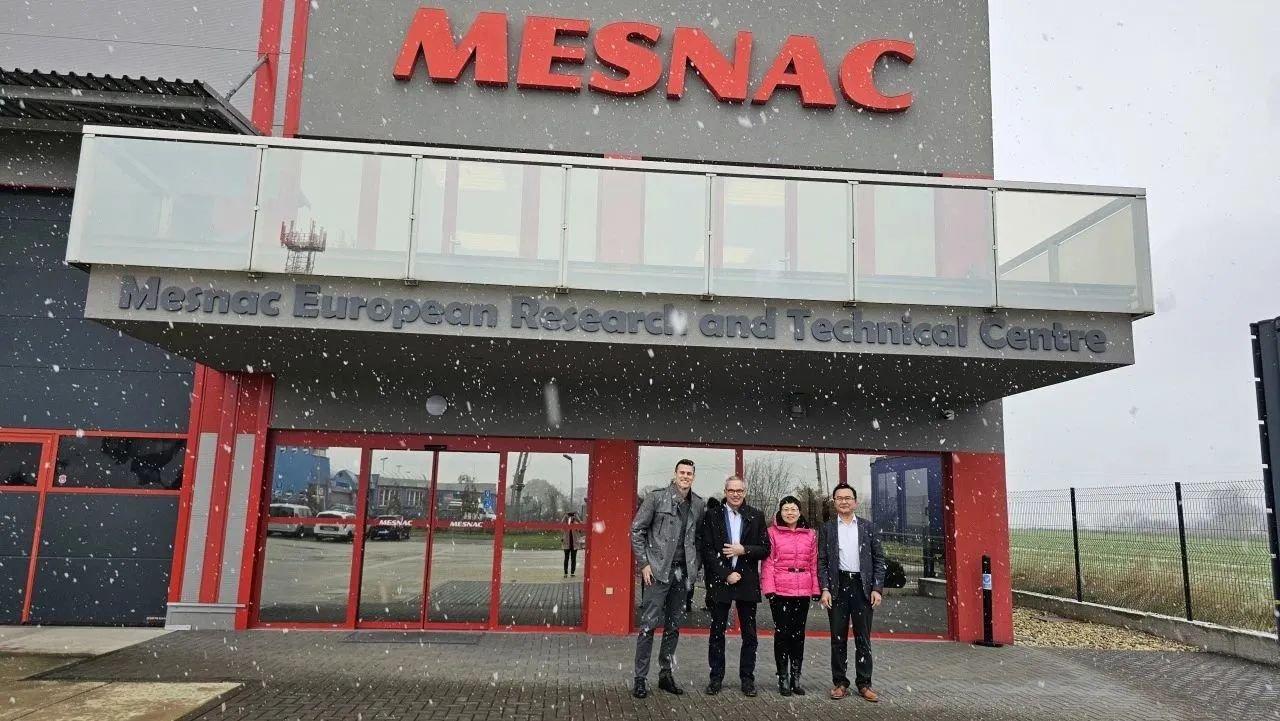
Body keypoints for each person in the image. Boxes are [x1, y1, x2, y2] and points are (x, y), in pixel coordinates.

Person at [630, 459, 705, 698]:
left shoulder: (698, 504)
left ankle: (665, 674)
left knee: (673, 626)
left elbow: (698, 539)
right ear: (675, 474)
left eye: (689, 473)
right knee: (648, 625)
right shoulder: (656, 498)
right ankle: (640, 678)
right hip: (657, 572)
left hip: (682, 575)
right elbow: (637, 531)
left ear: (694, 477)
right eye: (682, 472)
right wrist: (644, 564)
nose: (685, 476)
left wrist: (695, 566)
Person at [698, 475, 770, 696]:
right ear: (725, 492)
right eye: (731, 490)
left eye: (739, 491)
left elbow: (765, 549)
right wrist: (726, 573)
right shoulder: (712, 515)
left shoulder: (756, 516)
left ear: (744, 492)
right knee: (717, 633)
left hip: (747, 582)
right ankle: (715, 678)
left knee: (749, 635)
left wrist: (744, 550)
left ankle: (747, 679)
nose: (736, 494)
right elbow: (707, 550)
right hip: (721, 581)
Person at [818, 483, 886, 703]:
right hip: (838, 586)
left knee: (863, 638)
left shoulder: (868, 527)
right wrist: (825, 588)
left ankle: (864, 683)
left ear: (855, 502)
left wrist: (877, 588)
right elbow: (822, 561)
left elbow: (879, 560)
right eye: (839, 498)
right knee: (837, 638)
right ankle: (840, 683)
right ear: (834, 502)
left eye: (848, 498)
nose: (844, 501)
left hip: (861, 587)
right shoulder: (827, 529)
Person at [761, 495, 819, 696]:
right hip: (780, 591)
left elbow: (813, 563)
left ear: (799, 512)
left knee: (798, 635)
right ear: (780, 511)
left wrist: (815, 589)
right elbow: (768, 563)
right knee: (782, 634)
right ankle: (783, 676)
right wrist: (769, 588)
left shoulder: (810, 534)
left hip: (803, 590)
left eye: (793, 509)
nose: (790, 513)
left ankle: (796, 677)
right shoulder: (772, 532)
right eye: (786, 509)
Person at [561, 512, 581, 578]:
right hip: (566, 544)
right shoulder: (566, 524)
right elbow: (561, 524)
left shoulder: (576, 524)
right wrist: (565, 516)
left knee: (573, 559)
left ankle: (572, 573)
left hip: (574, 545)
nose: (571, 517)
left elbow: (581, 525)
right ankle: (565, 573)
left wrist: (576, 517)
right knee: (566, 559)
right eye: (570, 516)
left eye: (572, 516)